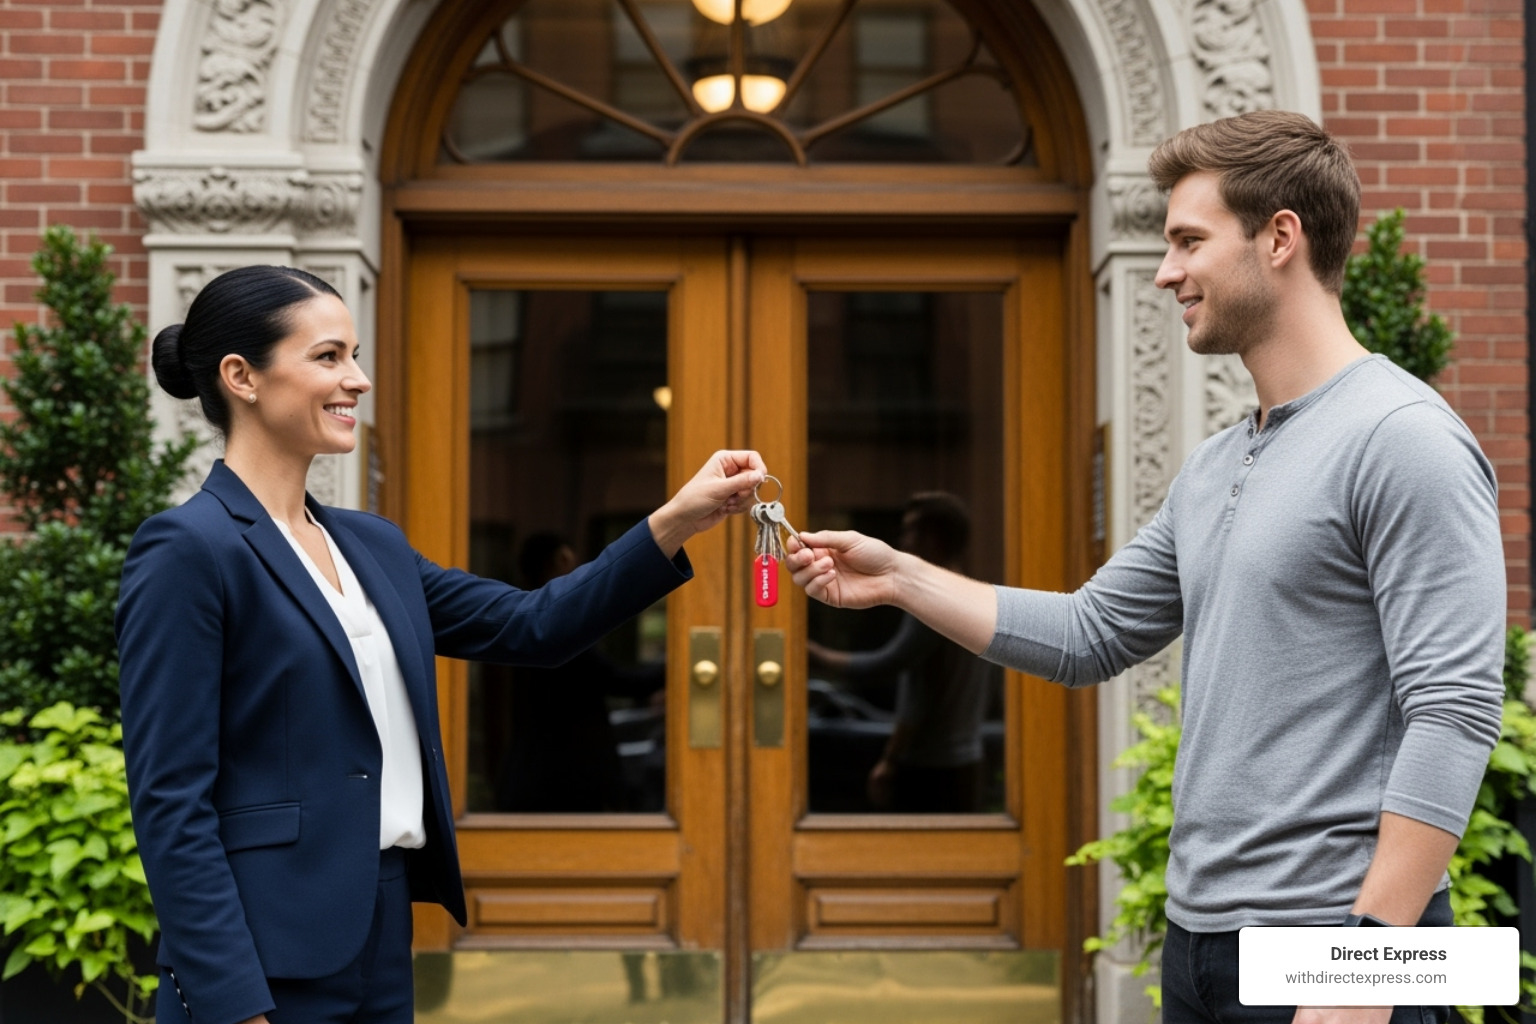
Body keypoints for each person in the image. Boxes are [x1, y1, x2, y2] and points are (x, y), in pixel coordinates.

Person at [786, 110, 1505, 1024]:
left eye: (1188, 241)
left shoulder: (1403, 440)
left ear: (1280, 236)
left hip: (1335, 949)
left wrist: (1368, 968)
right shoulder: (1215, 465)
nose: (1166, 271)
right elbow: (1090, 634)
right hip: (1200, 944)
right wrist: (898, 577)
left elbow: (1454, 706)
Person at [115, 265, 766, 1024]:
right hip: (261, 955)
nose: (356, 380)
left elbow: (535, 626)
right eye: (328, 357)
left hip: (381, 929)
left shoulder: (371, 545)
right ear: (241, 377)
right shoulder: (187, 549)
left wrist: (677, 519)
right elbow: (170, 800)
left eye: (354, 355)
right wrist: (232, 1002)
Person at [806, 492, 997, 812]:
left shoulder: (931, 603)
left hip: (930, 764)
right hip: (967, 758)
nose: (903, 540)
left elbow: (897, 673)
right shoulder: (975, 593)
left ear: (933, 538)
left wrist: (814, 655)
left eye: (910, 531)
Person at [495, 532, 665, 812]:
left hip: (534, 768)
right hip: (565, 773)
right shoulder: (554, 621)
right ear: (563, 558)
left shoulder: (517, 617)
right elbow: (618, 680)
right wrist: (676, 665)